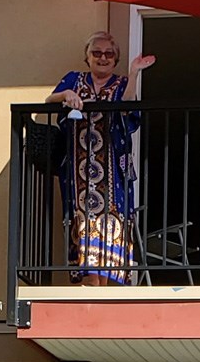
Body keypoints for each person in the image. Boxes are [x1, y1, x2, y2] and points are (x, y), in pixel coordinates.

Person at [46, 31, 156, 286]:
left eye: (109, 54)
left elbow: (128, 109)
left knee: (112, 219)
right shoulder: (74, 79)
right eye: (97, 53)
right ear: (87, 57)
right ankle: (89, 280)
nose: (103, 58)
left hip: (112, 169)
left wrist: (135, 73)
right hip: (78, 168)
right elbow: (49, 99)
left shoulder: (120, 83)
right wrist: (66, 96)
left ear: (115, 59)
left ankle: (104, 284)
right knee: (82, 219)